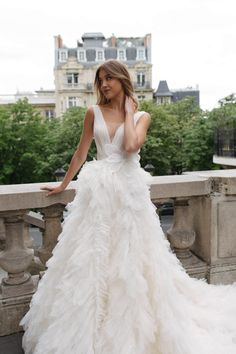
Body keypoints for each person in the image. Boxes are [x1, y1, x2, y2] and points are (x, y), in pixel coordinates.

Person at [20, 59, 236, 354]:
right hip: (96, 195)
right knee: (91, 258)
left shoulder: (142, 115)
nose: (105, 84)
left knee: (130, 260)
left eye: (109, 78)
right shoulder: (91, 112)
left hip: (128, 196)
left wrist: (130, 113)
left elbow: (131, 147)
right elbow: (81, 152)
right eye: (101, 80)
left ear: (123, 80)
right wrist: (62, 185)